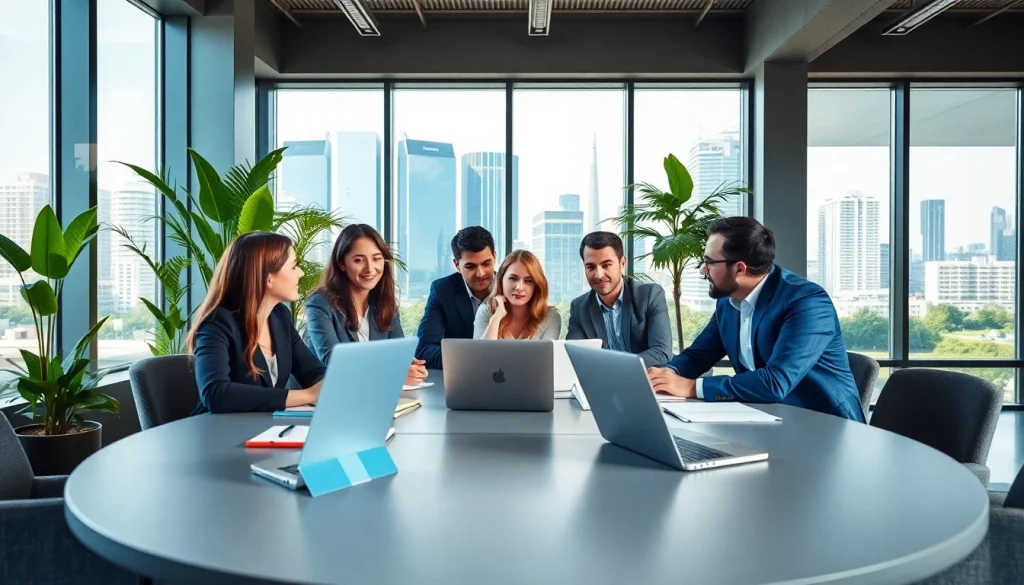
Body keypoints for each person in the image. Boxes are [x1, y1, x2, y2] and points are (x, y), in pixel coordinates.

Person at [646, 217, 865, 422]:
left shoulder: (807, 302)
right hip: (766, 417)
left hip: (824, 426)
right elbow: (697, 356)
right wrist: (666, 375)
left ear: (739, 268)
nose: (703, 270)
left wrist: (691, 387)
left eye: (709, 262)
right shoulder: (728, 302)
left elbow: (774, 382)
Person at [188, 232, 326, 415]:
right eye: (293, 267)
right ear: (269, 278)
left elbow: (313, 372)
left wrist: (331, 385)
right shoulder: (217, 323)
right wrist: (307, 395)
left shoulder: (279, 317)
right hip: (215, 432)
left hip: (262, 427)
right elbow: (215, 393)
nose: (301, 273)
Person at [305, 224, 426, 386]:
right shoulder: (320, 304)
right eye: (358, 260)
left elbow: (398, 352)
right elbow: (333, 361)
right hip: (332, 394)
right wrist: (394, 373)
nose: (370, 268)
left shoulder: (384, 302)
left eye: (377, 258)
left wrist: (410, 365)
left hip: (375, 393)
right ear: (341, 263)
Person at [566, 231, 672, 366]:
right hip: (602, 383)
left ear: (622, 263)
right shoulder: (579, 307)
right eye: (591, 267)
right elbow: (574, 357)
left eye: (606, 265)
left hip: (645, 379)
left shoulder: (650, 295)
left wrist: (616, 368)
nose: (599, 275)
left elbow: (661, 351)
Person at [415, 226, 497, 368]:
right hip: (460, 377)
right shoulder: (443, 291)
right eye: (470, 266)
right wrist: (471, 359)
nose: (480, 273)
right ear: (456, 265)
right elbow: (424, 349)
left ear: (495, 257)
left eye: (486, 263)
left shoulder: (512, 289)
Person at [474, 250, 561, 340]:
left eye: (528, 281)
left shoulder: (551, 316)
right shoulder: (486, 312)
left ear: (536, 285)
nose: (519, 287)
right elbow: (481, 353)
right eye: (513, 278)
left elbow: (546, 354)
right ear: (501, 280)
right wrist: (496, 317)